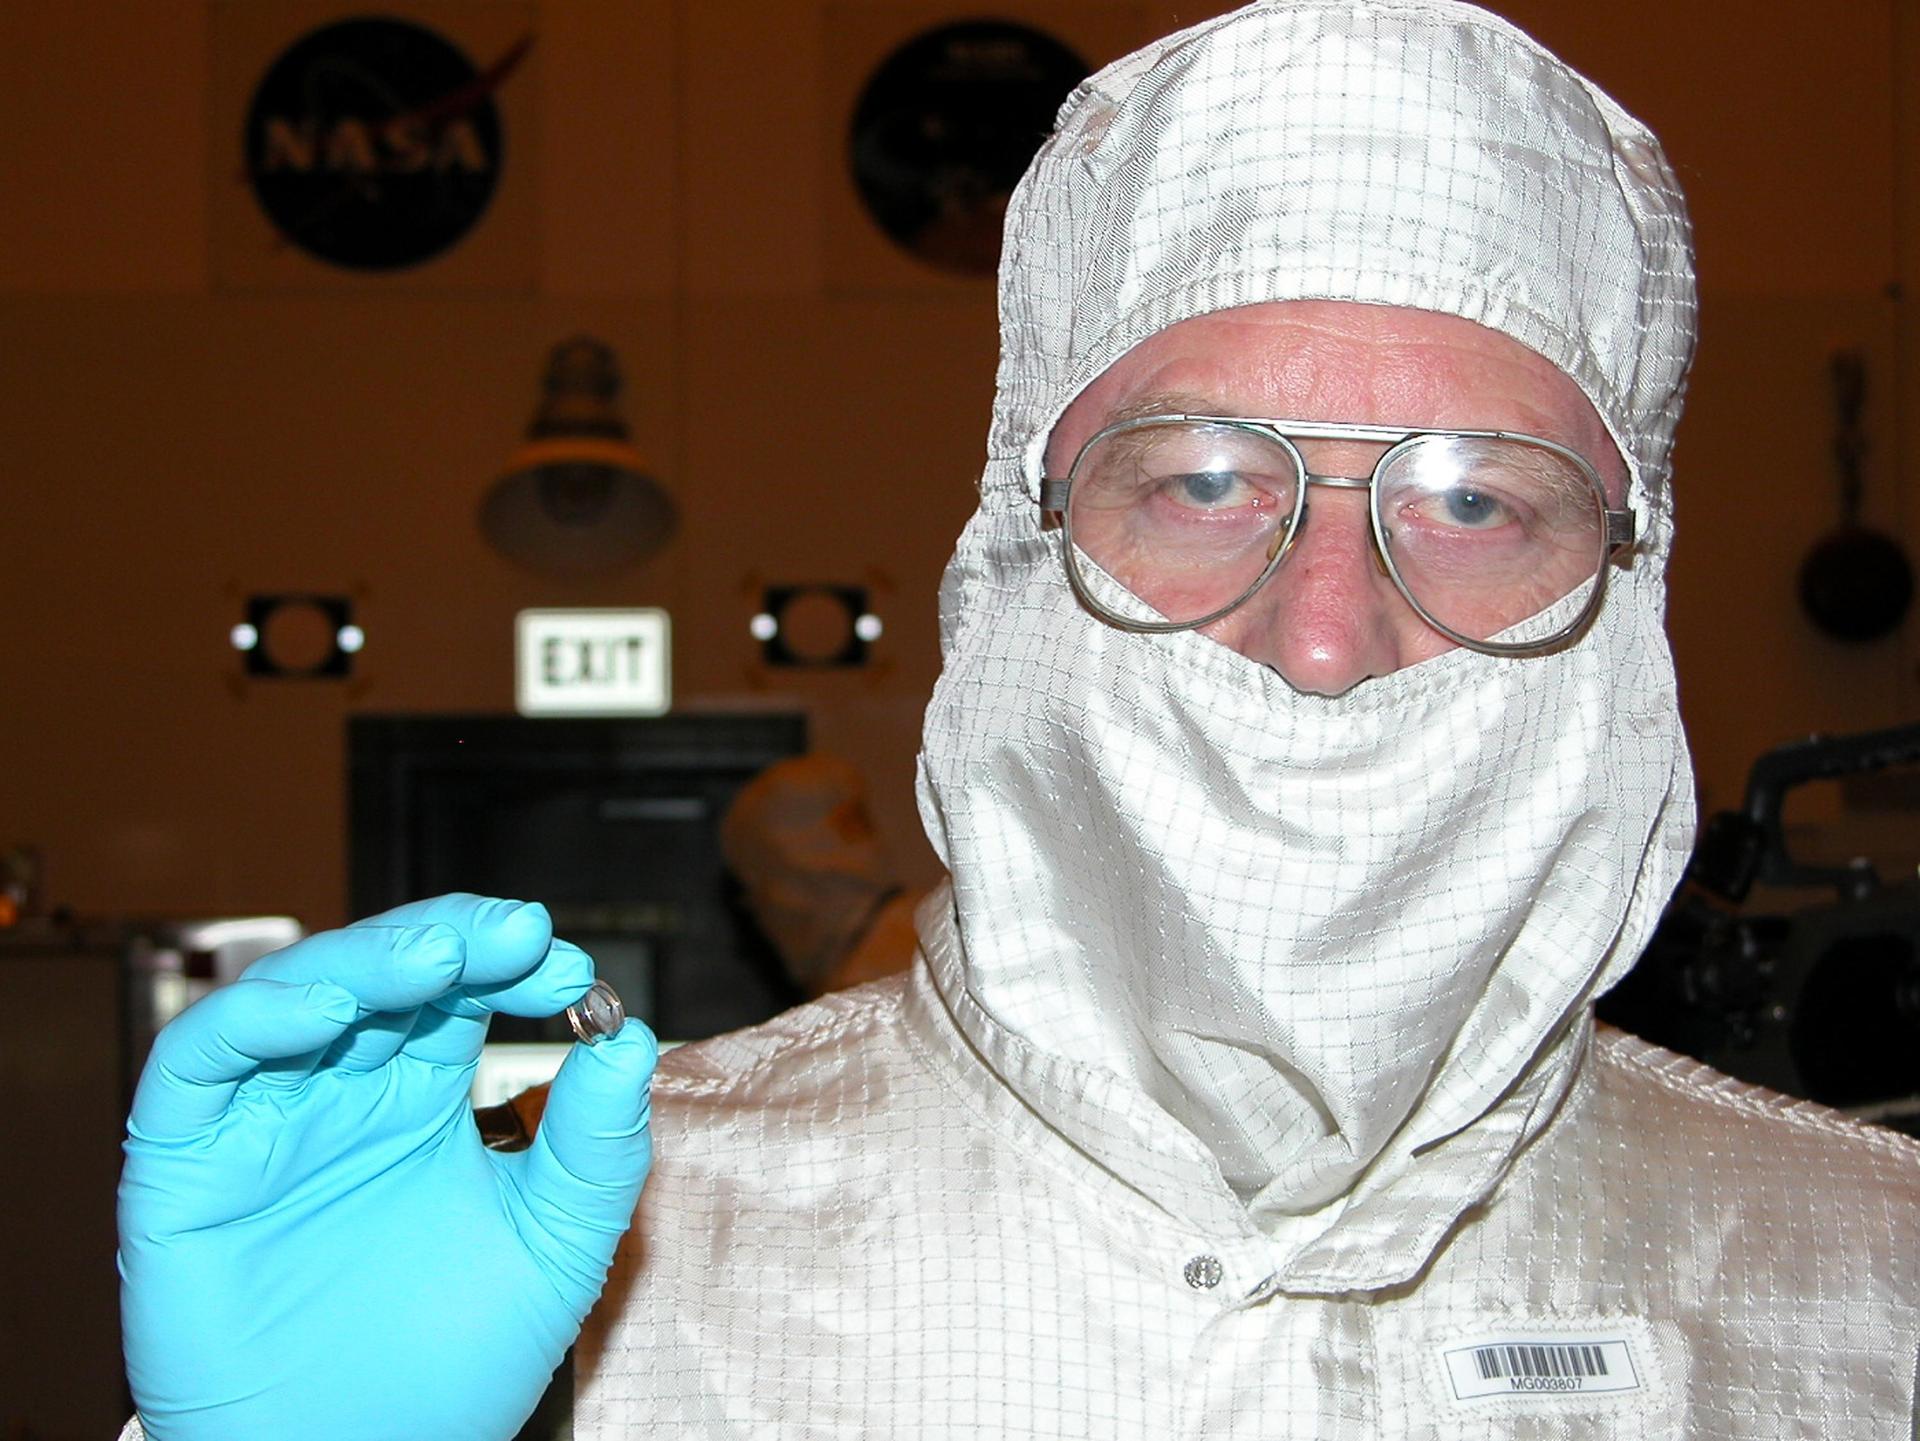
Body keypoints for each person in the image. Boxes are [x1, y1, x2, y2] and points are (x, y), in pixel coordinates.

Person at [117, 2, 1920, 1437]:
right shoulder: (594, 1275)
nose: (1322, 635)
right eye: (1203, 479)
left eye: (1475, 500)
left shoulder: (1866, 1281)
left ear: (1631, 588)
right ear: (1014, 556)